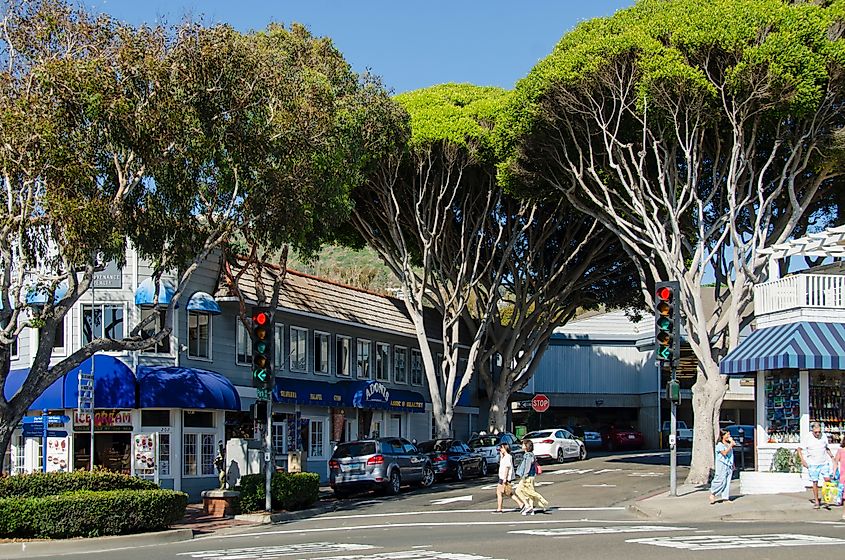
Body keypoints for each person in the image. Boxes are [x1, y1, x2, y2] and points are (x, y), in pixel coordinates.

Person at [799, 421, 835, 509]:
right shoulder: (808, 437)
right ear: (812, 431)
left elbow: (826, 448)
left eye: (819, 432)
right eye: (816, 432)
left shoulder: (824, 437)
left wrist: (832, 457)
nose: (818, 434)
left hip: (824, 462)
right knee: (815, 482)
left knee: (827, 480)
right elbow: (799, 449)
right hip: (813, 463)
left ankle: (826, 499)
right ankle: (816, 501)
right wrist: (803, 461)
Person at [514, 439, 550, 515]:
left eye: (523, 444)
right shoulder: (530, 454)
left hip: (528, 477)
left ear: (526, 446)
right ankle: (530, 508)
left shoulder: (528, 455)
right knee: (529, 492)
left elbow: (527, 466)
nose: (522, 445)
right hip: (530, 476)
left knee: (519, 491)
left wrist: (524, 476)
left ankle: (528, 506)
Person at [708, 429, 735, 504]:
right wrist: (731, 445)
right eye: (727, 435)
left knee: (727, 480)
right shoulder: (719, 445)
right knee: (720, 479)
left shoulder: (728, 444)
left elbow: (730, 455)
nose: (729, 436)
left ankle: (725, 497)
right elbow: (724, 453)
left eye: (729, 435)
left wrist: (733, 464)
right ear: (723, 436)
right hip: (721, 464)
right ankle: (713, 493)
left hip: (728, 464)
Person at [493, 443, 521, 514]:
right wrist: (501, 456)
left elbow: (507, 467)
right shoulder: (504, 457)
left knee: (500, 492)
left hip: (504, 477)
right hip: (502, 477)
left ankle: (499, 509)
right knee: (508, 492)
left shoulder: (508, 457)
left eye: (502, 448)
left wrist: (505, 478)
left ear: (505, 448)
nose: (500, 449)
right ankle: (521, 504)